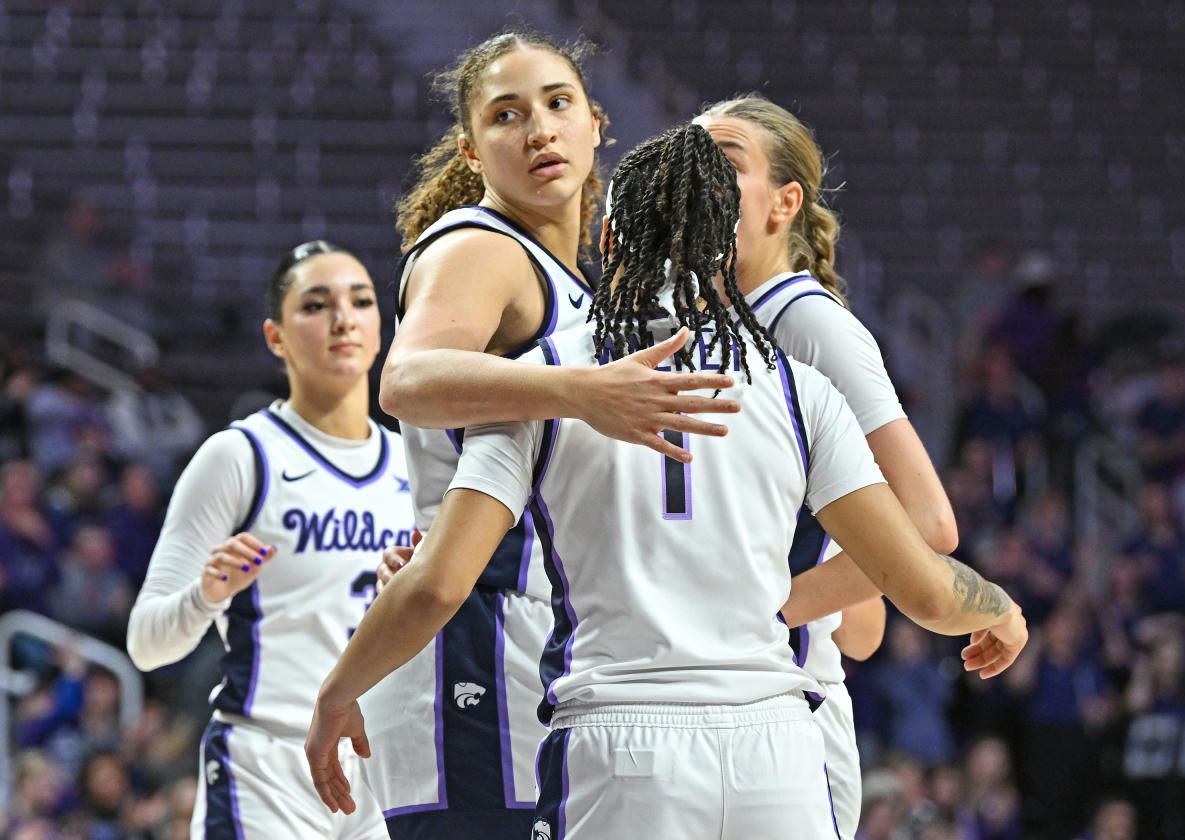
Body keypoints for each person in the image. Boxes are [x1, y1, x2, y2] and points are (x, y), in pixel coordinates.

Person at [306, 125, 1027, 839]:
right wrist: (996, 606)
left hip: (622, 752)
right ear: (726, 243)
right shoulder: (799, 390)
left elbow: (436, 584)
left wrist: (339, 692)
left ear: (611, 242)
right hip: (775, 752)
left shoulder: (546, 382)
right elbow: (926, 590)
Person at [361, 31, 739, 839]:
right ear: (470, 150)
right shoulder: (481, 246)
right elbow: (405, 381)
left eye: (557, 104)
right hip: (474, 643)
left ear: (597, 123)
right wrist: (582, 391)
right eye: (507, 115)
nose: (538, 129)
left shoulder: (567, 280)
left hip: (534, 639)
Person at [695, 93, 959, 839]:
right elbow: (863, 629)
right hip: (718, 698)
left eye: (723, 162)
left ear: (784, 203)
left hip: (781, 708)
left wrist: (772, 609)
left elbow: (929, 522)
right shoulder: (708, 328)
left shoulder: (806, 322)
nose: (698, 177)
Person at [127, 241, 412, 840]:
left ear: (380, 327)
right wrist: (205, 596)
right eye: (315, 304)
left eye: (360, 301)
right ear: (275, 336)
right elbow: (147, 644)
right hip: (267, 766)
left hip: (387, 765)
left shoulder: (416, 460)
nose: (342, 318)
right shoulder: (239, 456)